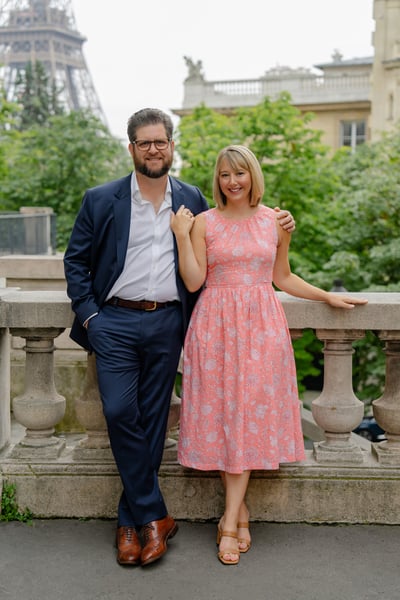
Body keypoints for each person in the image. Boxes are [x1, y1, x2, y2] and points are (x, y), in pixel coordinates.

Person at [63, 110, 296, 567]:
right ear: (131, 148)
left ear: (172, 146)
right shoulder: (101, 198)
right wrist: (91, 318)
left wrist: (280, 219)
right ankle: (153, 514)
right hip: (114, 322)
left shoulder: (191, 200)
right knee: (117, 410)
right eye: (144, 142)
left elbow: (239, 229)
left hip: (169, 323)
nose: (154, 149)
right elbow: (76, 263)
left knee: (152, 422)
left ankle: (133, 526)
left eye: (161, 142)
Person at [170, 144, 368, 566]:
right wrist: (181, 236)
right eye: (225, 174)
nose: (233, 181)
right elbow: (192, 281)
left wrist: (326, 295)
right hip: (215, 326)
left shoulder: (274, 221)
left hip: (261, 328)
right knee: (226, 415)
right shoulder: (204, 222)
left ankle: (230, 519)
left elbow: (282, 276)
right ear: (218, 180)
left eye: (240, 173)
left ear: (252, 176)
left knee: (246, 415)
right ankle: (237, 514)